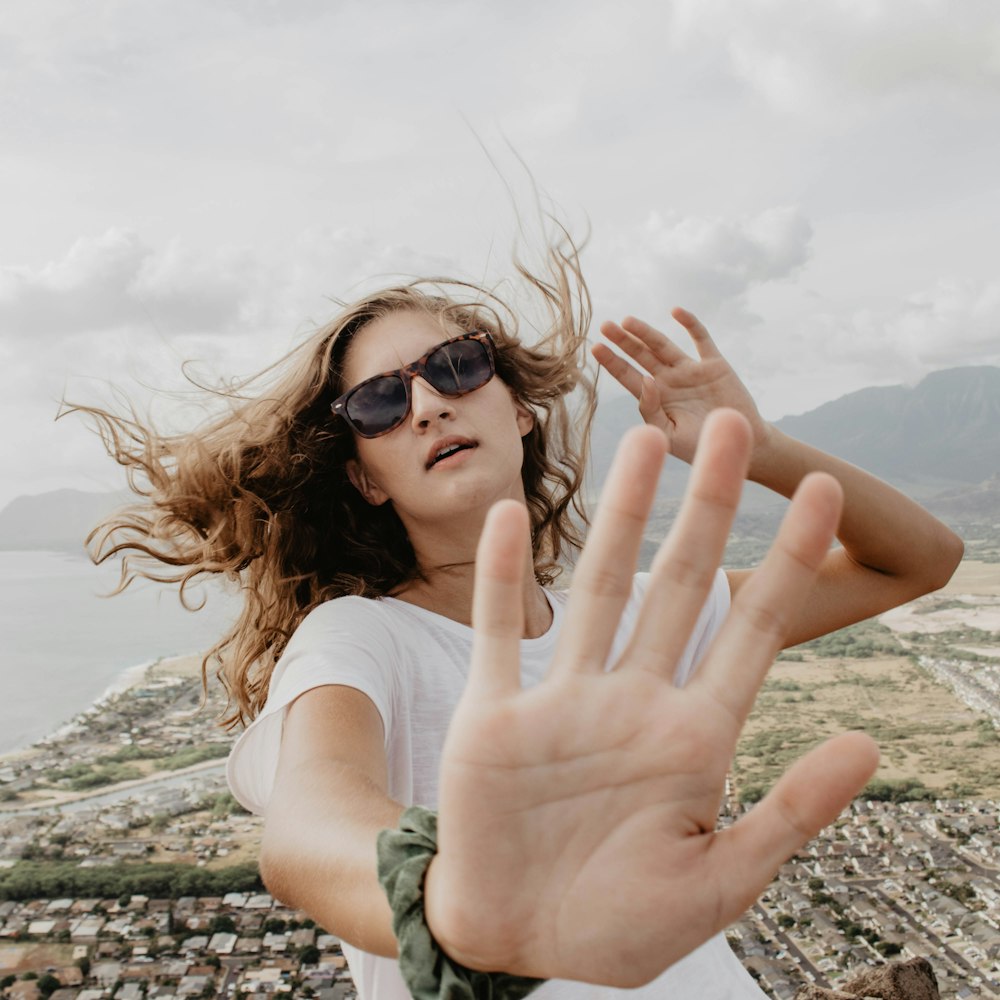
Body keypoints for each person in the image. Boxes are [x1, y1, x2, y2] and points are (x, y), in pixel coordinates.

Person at [76, 237, 962, 998]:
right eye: (380, 405)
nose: (426, 403)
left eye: (456, 366)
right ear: (365, 477)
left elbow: (920, 559)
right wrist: (460, 900)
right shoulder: (360, 638)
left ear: (520, 408)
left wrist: (761, 448)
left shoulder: (644, 617)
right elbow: (308, 827)